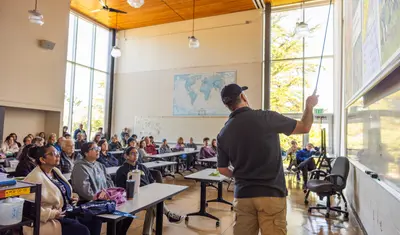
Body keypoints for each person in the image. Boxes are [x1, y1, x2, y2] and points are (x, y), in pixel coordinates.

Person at [216, 84, 318, 235]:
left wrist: (238, 176)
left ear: (227, 105)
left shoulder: (223, 133)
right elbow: (304, 127)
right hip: (271, 193)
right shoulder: (267, 117)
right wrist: (309, 106)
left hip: (243, 195)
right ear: (243, 97)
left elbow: (222, 169)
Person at [21, 145, 94, 235]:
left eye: (58, 153)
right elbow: (28, 208)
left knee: (94, 219)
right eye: (53, 154)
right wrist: (52, 214)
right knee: (82, 230)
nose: (58, 155)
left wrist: (73, 197)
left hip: (66, 211)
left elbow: (63, 191)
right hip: (50, 218)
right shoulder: (34, 178)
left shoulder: (55, 171)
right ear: (42, 159)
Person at [115, 147, 185, 235]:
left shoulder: (142, 167)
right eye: (133, 153)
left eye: (137, 153)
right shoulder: (122, 170)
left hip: (147, 194)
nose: (135, 155)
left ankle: (147, 232)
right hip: (133, 197)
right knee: (154, 203)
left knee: (152, 204)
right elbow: (121, 189)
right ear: (126, 156)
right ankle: (169, 214)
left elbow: (152, 181)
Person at [71, 142, 132, 235]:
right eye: (94, 149)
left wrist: (110, 194)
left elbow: (109, 182)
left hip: (104, 201)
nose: (98, 150)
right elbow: (85, 191)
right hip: (89, 204)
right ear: (86, 153)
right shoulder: (80, 167)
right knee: (98, 220)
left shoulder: (100, 165)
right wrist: (99, 196)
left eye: (98, 148)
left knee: (128, 212)